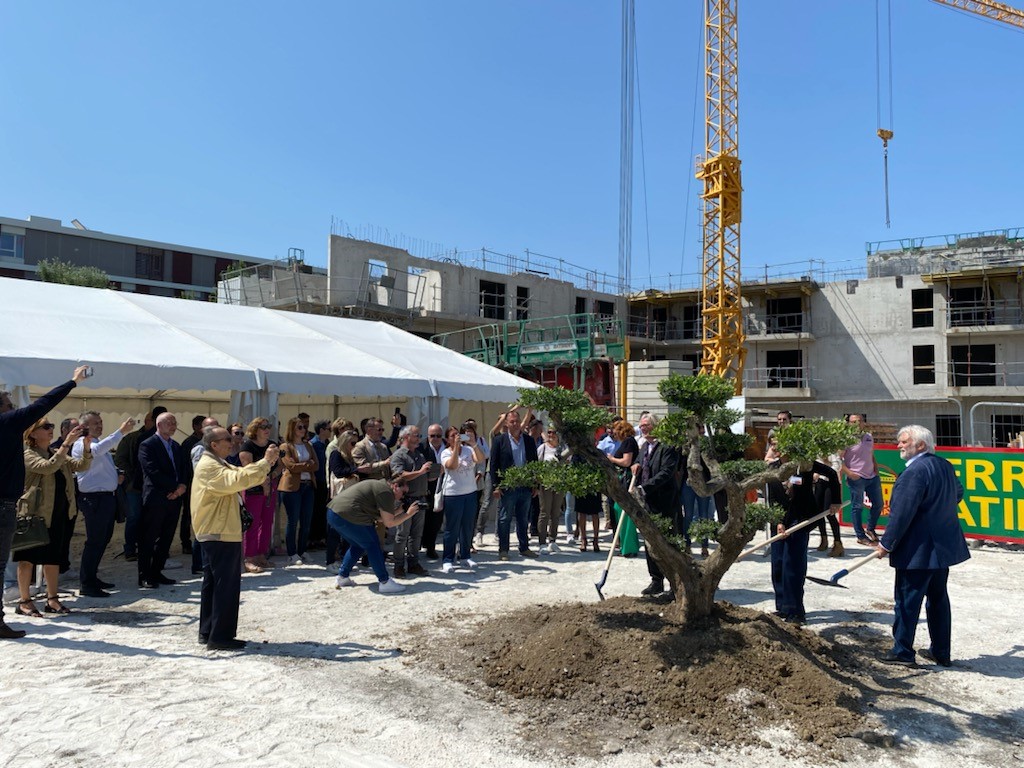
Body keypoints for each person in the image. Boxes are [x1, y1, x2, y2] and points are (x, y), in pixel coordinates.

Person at [0, 365, 89, 639]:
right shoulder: (8, 423)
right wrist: (73, 382)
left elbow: (75, 465)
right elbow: (44, 403)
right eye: (9, 404)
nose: (14, 407)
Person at [874, 425, 970, 667]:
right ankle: (941, 651)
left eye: (904, 441)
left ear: (921, 445)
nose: (899, 445)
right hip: (940, 549)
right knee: (938, 600)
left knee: (908, 600)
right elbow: (957, 493)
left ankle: (902, 651)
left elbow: (901, 514)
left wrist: (886, 544)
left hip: (918, 550)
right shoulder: (944, 465)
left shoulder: (914, 472)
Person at [191, 425, 280, 651]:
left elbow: (240, 475)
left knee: (213, 584)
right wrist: (266, 462)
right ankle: (220, 637)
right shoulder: (210, 465)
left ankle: (209, 632)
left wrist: (263, 465)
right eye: (227, 439)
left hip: (217, 530)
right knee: (225, 586)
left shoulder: (216, 462)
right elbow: (237, 479)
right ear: (214, 444)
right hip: (219, 532)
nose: (233, 442)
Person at [14, 418, 91, 617]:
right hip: (34, 515)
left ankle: (52, 599)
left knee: (53, 558)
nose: (50, 430)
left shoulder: (56, 453)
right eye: (46, 427)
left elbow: (81, 466)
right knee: (27, 560)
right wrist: (65, 445)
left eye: (52, 426)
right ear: (32, 433)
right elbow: (47, 467)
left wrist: (86, 446)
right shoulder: (28, 454)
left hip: (58, 513)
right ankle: (24, 601)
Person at [72, 410, 136, 596]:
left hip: (106, 497)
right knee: (95, 541)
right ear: (84, 427)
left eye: (100, 422)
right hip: (94, 499)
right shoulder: (82, 444)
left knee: (103, 540)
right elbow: (96, 453)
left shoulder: (98, 443)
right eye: (95, 423)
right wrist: (120, 431)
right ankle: (87, 583)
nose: (99, 425)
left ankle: (92, 577)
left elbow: (102, 463)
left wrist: (117, 474)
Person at [771, 459, 841, 625]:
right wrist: (778, 521)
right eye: (774, 444)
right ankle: (782, 607)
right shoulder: (772, 468)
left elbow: (831, 474)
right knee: (778, 565)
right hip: (778, 520)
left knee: (793, 567)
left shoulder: (805, 464)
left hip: (800, 519)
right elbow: (772, 496)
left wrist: (835, 500)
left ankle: (795, 611)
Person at [328, 477, 420, 594]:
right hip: (349, 515)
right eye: (404, 492)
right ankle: (384, 581)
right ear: (395, 486)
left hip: (334, 513)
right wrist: (408, 514)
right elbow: (389, 523)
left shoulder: (381, 486)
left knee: (358, 545)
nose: (403, 496)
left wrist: (401, 510)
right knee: (372, 544)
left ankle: (342, 577)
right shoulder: (386, 492)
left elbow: (381, 518)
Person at [138, 412, 189, 589]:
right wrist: (174, 487)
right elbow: (152, 471)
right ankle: (144, 575)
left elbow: (183, 468)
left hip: (174, 498)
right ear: (159, 425)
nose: (174, 426)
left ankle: (157, 571)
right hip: (156, 497)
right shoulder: (147, 445)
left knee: (166, 537)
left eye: (175, 422)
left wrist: (181, 486)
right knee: (149, 537)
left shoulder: (176, 446)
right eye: (170, 423)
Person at [634, 414, 681, 596]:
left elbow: (666, 472)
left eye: (645, 425)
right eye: (641, 426)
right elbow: (640, 463)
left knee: (668, 542)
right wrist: (636, 465)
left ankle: (674, 583)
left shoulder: (668, 446)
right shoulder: (645, 446)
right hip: (648, 503)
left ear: (655, 426)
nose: (642, 428)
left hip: (665, 502)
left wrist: (644, 488)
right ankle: (656, 580)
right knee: (649, 541)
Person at [114, 406, 165, 561]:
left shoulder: (163, 440)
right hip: (134, 487)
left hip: (153, 487)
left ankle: (148, 547)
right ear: (147, 421)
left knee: (152, 517)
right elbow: (120, 459)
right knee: (134, 517)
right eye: (154, 419)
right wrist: (131, 475)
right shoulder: (131, 438)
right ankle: (130, 549)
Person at [489, 409, 539, 561]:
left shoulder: (529, 440)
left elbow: (535, 464)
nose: (515, 424)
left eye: (517, 421)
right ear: (506, 424)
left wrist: (535, 483)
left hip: (525, 486)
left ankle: (524, 547)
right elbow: (493, 465)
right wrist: (496, 486)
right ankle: (503, 550)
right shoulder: (499, 441)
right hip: (507, 487)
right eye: (512, 422)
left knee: (523, 518)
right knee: (505, 519)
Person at [440, 425, 485, 573]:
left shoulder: (468, 450)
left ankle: (465, 555)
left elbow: (480, 459)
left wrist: (473, 444)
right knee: (452, 528)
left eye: (457, 435)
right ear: (447, 439)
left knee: (467, 527)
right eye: (452, 436)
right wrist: (455, 449)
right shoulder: (445, 452)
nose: (456, 438)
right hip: (453, 494)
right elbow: (452, 466)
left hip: (470, 492)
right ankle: (448, 558)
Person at [389, 425, 432, 578]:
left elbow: (423, 476)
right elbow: (400, 476)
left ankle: (413, 563)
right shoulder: (399, 455)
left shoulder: (418, 455)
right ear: (406, 437)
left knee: (416, 534)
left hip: (420, 497)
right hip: (406, 501)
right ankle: (398, 565)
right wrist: (420, 471)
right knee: (402, 534)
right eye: (416, 435)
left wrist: (433, 473)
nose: (419, 439)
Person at [239, 417, 279, 572]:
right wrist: (264, 481)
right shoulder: (247, 446)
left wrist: (271, 477)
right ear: (255, 429)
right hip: (253, 488)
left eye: (268, 426)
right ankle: (249, 557)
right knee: (253, 523)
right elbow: (248, 468)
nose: (267, 429)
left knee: (268, 522)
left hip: (270, 485)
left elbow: (280, 465)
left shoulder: (272, 444)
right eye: (263, 427)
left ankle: (261, 555)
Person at [278, 416, 319, 566]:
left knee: (306, 521)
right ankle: (292, 553)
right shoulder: (285, 447)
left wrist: (303, 465)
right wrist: (307, 464)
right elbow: (290, 466)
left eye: (304, 427)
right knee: (293, 520)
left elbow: (316, 465)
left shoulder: (308, 445)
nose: (303, 430)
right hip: (292, 487)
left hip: (308, 485)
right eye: (300, 427)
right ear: (292, 429)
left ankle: (302, 550)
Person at [841, 413, 884, 545]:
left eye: (859, 421)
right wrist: (850, 474)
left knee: (878, 504)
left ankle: (870, 529)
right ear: (848, 424)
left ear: (863, 423)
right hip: (856, 478)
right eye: (853, 422)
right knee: (857, 507)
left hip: (872, 476)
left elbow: (871, 454)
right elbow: (838, 460)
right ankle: (860, 536)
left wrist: (876, 470)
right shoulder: (845, 440)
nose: (857, 424)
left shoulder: (868, 437)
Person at [326, 429, 365, 568]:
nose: (354, 446)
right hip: (338, 498)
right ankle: (330, 560)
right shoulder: (336, 454)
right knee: (334, 531)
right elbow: (338, 472)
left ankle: (344, 558)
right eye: (352, 443)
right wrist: (356, 471)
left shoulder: (349, 456)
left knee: (348, 530)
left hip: (349, 498)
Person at [607, 420, 640, 557]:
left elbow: (626, 461)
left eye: (615, 430)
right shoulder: (629, 442)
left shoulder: (628, 442)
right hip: (623, 481)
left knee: (624, 514)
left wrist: (612, 459)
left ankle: (629, 548)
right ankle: (626, 547)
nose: (613, 433)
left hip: (626, 481)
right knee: (620, 512)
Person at [536, 427, 568, 554]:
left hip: (559, 483)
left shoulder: (562, 449)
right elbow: (537, 465)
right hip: (546, 484)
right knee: (544, 512)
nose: (551, 435)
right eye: (549, 432)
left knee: (555, 513)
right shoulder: (542, 448)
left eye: (553, 432)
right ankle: (542, 542)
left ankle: (552, 540)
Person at [179, 415, 206, 555]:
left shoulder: (209, 442)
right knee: (188, 515)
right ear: (195, 427)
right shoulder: (189, 443)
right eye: (202, 425)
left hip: (202, 485)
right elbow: (184, 465)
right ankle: (186, 543)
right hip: (190, 483)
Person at [421, 424, 446, 559]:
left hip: (445, 485)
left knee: (437, 519)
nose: (436, 438)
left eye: (438, 436)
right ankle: (424, 545)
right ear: (428, 435)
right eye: (432, 436)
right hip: (427, 487)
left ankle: (431, 547)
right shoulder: (421, 447)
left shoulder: (448, 446)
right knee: (426, 518)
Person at [308, 419, 331, 548]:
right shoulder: (314, 444)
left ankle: (320, 538)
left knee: (322, 511)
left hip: (325, 481)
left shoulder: (326, 443)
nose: (330, 432)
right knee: (314, 511)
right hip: (316, 481)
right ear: (321, 430)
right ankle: (312, 539)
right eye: (329, 429)